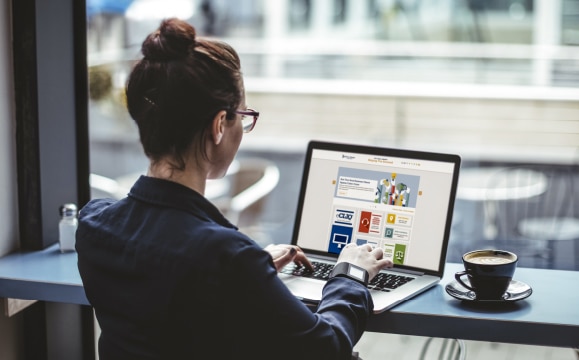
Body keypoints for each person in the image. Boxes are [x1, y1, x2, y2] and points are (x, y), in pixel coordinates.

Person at [76, 18, 392, 360]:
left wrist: (255, 276)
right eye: (242, 116)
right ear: (218, 126)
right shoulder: (226, 257)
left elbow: (169, 305)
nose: (243, 127)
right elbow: (325, 348)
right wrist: (350, 274)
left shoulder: (94, 226)